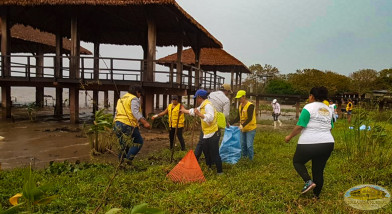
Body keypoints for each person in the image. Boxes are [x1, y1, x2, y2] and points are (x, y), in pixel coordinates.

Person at [285, 86, 334, 199]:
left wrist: (289, 137)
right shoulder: (328, 110)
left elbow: (300, 126)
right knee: (318, 170)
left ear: (312, 96)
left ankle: (308, 181)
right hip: (327, 143)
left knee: (297, 162)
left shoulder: (308, 107)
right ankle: (316, 197)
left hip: (309, 143)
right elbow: (330, 128)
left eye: (309, 95)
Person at [181, 89, 223, 174]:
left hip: (213, 133)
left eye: (196, 98)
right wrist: (184, 111)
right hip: (206, 133)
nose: (196, 100)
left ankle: (220, 171)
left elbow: (210, 118)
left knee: (215, 153)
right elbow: (194, 111)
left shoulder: (208, 106)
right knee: (206, 152)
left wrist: (200, 114)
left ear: (200, 97)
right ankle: (209, 167)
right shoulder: (203, 106)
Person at [193, 84, 232, 160]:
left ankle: (195, 158)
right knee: (213, 144)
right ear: (227, 91)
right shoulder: (226, 100)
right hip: (215, 124)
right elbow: (226, 114)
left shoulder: (211, 94)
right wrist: (226, 122)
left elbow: (204, 105)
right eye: (228, 92)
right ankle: (213, 161)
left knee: (202, 141)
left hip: (205, 120)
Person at [114, 86, 151, 164]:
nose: (139, 97)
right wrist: (145, 122)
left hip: (117, 123)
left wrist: (114, 124)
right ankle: (128, 161)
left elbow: (116, 113)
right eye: (140, 94)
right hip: (127, 124)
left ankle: (121, 164)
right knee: (138, 141)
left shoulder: (121, 99)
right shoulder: (133, 99)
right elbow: (135, 112)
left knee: (123, 145)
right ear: (137, 92)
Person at [230, 90, 257, 160]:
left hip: (251, 128)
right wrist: (230, 123)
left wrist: (242, 125)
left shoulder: (250, 105)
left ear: (244, 97)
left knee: (249, 145)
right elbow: (238, 117)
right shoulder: (240, 106)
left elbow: (250, 118)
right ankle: (244, 158)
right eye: (238, 98)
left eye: (240, 98)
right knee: (243, 145)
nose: (239, 100)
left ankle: (251, 160)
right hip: (243, 129)